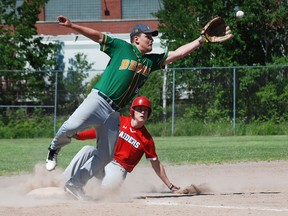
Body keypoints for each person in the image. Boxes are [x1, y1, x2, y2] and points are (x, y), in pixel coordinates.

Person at [46, 15, 223, 195]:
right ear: (136, 39)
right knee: (72, 125)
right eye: (148, 36)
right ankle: (54, 149)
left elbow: (178, 53)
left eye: (152, 36)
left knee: (106, 155)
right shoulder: (121, 47)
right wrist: (71, 25)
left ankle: (75, 184)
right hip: (98, 99)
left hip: (114, 111)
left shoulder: (150, 62)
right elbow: (98, 36)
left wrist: (202, 40)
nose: (152, 39)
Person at [63, 96, 179, 199]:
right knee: (88, 149)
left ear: (149, 114)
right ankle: (67, 182)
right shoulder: (120, 121)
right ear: (132, 111)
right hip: (104, 158)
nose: (142, 112)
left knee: (104, 195)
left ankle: (85, 187)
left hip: (118, 169)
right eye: (139, 109)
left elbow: (156, 164)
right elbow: (98, 133)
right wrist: (78, 135)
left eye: (145, 110)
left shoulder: (146, 139)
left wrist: (169, 185)